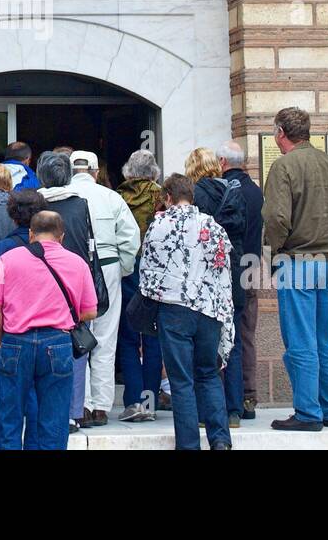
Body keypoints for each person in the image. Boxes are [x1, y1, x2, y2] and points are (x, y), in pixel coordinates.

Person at [264, 107, 328, 432]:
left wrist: (273, 253)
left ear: (280, 133)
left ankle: (308, 413)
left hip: (298, 260)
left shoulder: (283, 166)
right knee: (326, 340)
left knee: (301, 340)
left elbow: (276, 218)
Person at [0, 210, 97, 450]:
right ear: (62, 236)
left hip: (15, 341)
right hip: (57, 342)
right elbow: (90, 312)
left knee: (9, 418)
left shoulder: (8, 259)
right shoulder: (77, 263)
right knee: (54, 421)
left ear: (30, 234)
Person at [139, 173, 236, 451]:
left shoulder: (159, 224)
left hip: (173, 310)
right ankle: (220, 440)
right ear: (191, 196)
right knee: (208, 373)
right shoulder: (212, 225)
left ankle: (189, 444)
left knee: (181, 381)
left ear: (167, 197)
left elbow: (148, 271)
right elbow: (223, 269)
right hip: (208, 309)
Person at [69, 150, 140, 427]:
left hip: (71, 267)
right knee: (106, 338)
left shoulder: (59, 194)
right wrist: (121, 270)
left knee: (78, 336)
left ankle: (82, 405)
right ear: (96, 172)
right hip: (108, 265)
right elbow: (131, 238)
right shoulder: (112, 197)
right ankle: (100, 406)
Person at [34, 150, 96, 431]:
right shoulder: (80, 204)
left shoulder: (37, 203)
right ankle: (72, 412)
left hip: (41, 280)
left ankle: (46, 412)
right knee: (77, 347)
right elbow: (90, 245)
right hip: (74, 281)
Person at [186, 147, 248, 427]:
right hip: (232, 273)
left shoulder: (194, 196)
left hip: (202, 280)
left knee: (202, 345)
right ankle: (233, 410)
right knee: (231, 342)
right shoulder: (235, 191)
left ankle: (205, 412)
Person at [0, 189, 46, 448]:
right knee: (36, 393)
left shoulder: (1, 248)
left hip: (6, 331)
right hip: (42, 330)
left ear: (12, 214)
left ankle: (0, 444)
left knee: (0, 392)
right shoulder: (52, 249)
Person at [116, 149, 163, 422]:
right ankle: (150, 403)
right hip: (157, 273)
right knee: (153, 338)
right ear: (154, 171)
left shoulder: (118, 197)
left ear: (127, 172)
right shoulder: (163, 197)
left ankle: (133, 402)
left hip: (127, 271)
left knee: (129, 337)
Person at [218, 140, 264, 420]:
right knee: (245, 333)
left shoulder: (224, 190)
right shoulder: (255, 190)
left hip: (228, 269)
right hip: (251, 266)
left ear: (222, 162)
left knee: (223, 334)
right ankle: (248, 397)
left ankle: (227, 397)